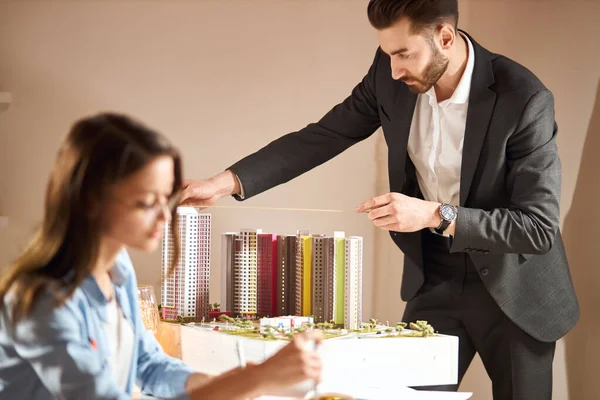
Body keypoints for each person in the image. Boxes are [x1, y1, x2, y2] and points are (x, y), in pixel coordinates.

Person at [180, 0, 579, 399]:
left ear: (445, 36)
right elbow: (324, 135)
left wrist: (434, 214)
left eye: (404, 54)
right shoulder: (391, 74)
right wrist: (226, 182)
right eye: (388, 53)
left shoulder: (523, 98)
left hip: (516, 288)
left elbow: (537, 228)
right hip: (434, 277)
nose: (394, 69)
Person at [0, 113, 322, 400]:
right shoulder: (42, 301)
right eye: (145, 203)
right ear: (92, 200)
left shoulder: (117, 267)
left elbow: (149, 365)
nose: (165, 217)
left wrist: (237, 383)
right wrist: (256, 379)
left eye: (165, 199)